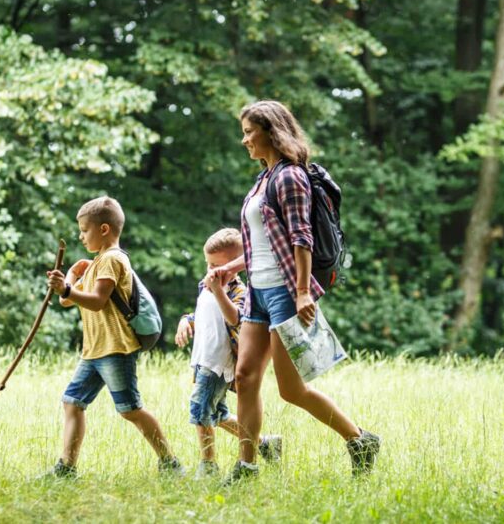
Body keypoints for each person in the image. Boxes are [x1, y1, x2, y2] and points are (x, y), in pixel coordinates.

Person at [209, 100, 380, 484]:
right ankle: (247, 466)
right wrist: (231, 267)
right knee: (246, 376)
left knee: (291, 389)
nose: (244, 140)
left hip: (287, 291)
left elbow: (301, 237)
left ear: (271, 131)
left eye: (249, 131)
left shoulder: (290, 177)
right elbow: (264, 242)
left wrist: (303, 291)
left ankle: (360, 439)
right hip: (258, 292)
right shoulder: (262, 179)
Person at [45, 196, 183, 478]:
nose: (81, 236)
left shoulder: (112, 260)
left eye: (85, 230)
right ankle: (66, 468)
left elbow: (95, 300)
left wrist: (66, 289)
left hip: (116, 350)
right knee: (72, 402)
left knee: (130, 409)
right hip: (94, 351)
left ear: (104, 229)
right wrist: (69, 278)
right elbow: (67, 301)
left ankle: (170, 462)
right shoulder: (97, 263)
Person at [174, 227, 282, 479]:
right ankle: (266, 443)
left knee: (200, 410)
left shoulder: (239, 291)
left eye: (218, 266)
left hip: (220, 362)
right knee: (218, 413)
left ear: (235, 266)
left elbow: (235, 318)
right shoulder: (206, 285)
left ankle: (208, 464)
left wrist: (219, 290)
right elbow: (203, 315)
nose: (211, 271)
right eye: (209, 264)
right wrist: (186, 320)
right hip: (202, 357)